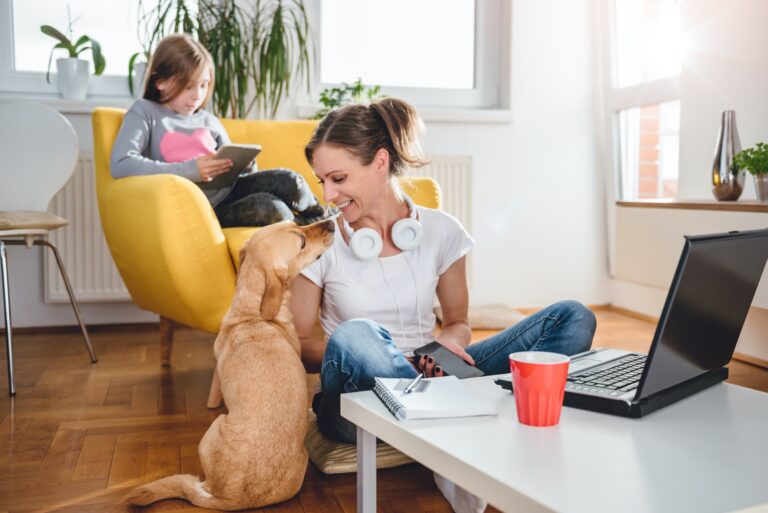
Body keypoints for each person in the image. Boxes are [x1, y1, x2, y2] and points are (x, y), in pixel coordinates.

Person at [290, 97, 597, 512]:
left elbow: (457, 322)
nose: (328, 194)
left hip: (431, 372)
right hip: (357, 401)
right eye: (322, 180)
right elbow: (298, 344)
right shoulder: (320, 242)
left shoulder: (441, 231)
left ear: (381, 162)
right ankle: (462, 419)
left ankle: (446, 411)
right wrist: (382, 355)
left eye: (338, 178)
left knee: (573, 316)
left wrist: (448, 346)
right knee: (356, 335)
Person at [110, 34, 325, 227]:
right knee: (271, 209)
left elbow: (244, 174)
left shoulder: (208, 120)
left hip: (231, 191)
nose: (198, 95)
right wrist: (192, 170)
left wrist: (246, 165)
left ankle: (323, 217)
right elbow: (121, 164)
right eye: (189, 86)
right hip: (205, 209)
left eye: (204, 85)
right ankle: (306, 228)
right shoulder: (145, 112)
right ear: (160, 81)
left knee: (289, 180)